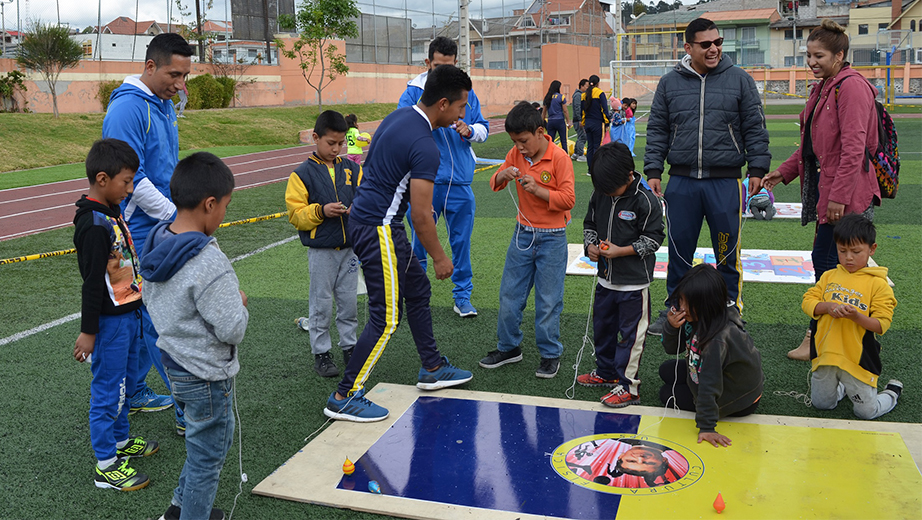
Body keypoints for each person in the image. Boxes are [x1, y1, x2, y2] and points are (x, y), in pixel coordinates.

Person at [324, 65, 475, 423]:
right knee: (387, 316)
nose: (462, 113)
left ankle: (433, 366)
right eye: (460, 106)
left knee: (417, 291)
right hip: (378, 229)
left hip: (376, 223)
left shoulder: (400, 116)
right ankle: (344, 395)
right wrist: (440, 257)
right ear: (442, 104)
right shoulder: (426, 145)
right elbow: (422, 216)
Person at [762, 19, 882, 361]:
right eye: (809, 56)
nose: (812, 62)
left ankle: (826, 340)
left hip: (847, 196)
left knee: (834, 267)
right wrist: (782, 174)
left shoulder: (851, 87)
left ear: (840, 55)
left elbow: (854, 147)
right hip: (830, 192)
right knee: (830, 266)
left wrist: (839, 198)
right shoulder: (824, 86)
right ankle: (828, 339)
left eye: (819, 56)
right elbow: (811, 147)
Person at [644, 18, 771, 336]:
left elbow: (755, 129)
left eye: (718, 42)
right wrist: (654, 170)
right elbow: (657, 128)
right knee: (678, 252)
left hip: (725, 183)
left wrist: (757, 169)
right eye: (706, 44)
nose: (714, 48)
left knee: (727, 253)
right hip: (682, 183)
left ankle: (730, 311)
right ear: (688, 47)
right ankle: (676, 309)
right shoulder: (669, 83)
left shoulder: (740, 80)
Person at [140, 152, 248, 520]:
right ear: (210, 203)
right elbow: (233, 327)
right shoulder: (208, 260)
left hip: (175, 365)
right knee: (208, 460)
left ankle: (178, 509)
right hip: (205, 375)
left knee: (201, 450)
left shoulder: (156, 239)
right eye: (226, 207)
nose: (224, 215)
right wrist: (239, 302)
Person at [103, 32, 194, 430]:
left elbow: (162, 166)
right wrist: (177, 215)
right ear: (150, 66)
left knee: (144, 315)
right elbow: (132, 178)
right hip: (136, 227)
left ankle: (136, 388)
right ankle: (185, 404)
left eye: (186, 75)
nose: (180, 83)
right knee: (158, 316)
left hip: (156, 222)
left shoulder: (162, 103)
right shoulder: (129, 108)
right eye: (174, 73)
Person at [73, 139, 159, 492]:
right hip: (108, 323)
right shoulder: (94, 224)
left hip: (128, 314)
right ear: (103, 178)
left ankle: (121, 442)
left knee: (124, 384)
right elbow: (92, 283)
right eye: (126, 182)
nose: (130, 188)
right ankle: (106, 464)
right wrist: (88, 332)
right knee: (110, 390)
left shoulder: (110, 211)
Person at [479, 102, 576, 379]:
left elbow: (569, 199)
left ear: (540, 132)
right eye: (515, 142)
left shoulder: (559, 158)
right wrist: (503, 174)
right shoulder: (515, 154)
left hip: (553, 237)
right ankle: (509, 347)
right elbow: (494, 184)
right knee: (510, 295)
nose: (519, 148)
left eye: (523, 141)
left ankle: (549, 353)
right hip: (522, 234)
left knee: (548, 300)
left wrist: (539, 190)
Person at [397, 36, 490, 318]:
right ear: (428, 63)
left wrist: (470, 130)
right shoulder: (413, 92)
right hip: (425, 182)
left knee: (461, 243)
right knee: (419, 242)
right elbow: (403, 131)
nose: (443, 72)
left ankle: (462, 297)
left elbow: (483, 129)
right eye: (438, 66)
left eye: (449, 66)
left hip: (460, 181)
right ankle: (416, 296)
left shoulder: (466, 91)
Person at [578, 142, 665, 407]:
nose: (606, 193)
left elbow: (654, 239)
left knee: (631, 337)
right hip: (605, 280)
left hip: (633, 286)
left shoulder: (646, 200)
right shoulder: (601, 193)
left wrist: (622, 251)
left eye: (610, 188)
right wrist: (590, 246)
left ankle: (629, 387)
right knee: (603, 329)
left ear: (629, 175)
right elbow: (589, 223)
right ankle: (605, 373)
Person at [285, 111, 362, 378]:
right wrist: (321, 211)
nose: (336, 149)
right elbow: (296, 215)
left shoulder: (352, 169)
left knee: (348, 302)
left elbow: (364, 197)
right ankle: (321, 353)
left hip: (350, 249)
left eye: (340, 143)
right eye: (331, 143)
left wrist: (358, 210)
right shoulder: (301, 174)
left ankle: (350, 347)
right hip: (322, 252)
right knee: (321, 304)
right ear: (315, 138)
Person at [801, 214, 901, 419]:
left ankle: (891, 392)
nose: (848, 258)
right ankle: (843, 388)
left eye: (856, 252)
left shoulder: (878, 285)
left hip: (856, 360)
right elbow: (808, 301)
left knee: (866, 412)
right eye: (842, 251)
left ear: (871, 249)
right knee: (822, 405)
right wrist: (826, 307)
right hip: (826, 355)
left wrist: (856, 316)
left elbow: (881, 324)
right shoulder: (829, 276)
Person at [658, 264, 764, 448]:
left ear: (705, 304)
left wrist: (707, 426)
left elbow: (710, 382)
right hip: (712, 370)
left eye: (687, 303)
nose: (681, 307)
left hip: (739, 398)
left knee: (667, 393)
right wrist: (672, 327)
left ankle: (715, 412)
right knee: (666, 370)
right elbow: (671, 349)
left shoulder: (718, 339)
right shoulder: (703, 315)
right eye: (681, 300)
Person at [581, 74, 611, 167]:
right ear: (598, 83)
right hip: (597, 123)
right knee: (597, 147)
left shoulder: (584, 95)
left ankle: (590, 169)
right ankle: (596, 169)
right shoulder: (599, 93)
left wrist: (583, 122)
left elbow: (582, 111)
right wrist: (607, 122)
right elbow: (604, 109)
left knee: (590, 146)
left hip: (588, 123)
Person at [542, 80, 570, 152]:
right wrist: (568, 121)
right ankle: (565, 156)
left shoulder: (547, 97)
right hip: (560, 120)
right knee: (563, 141)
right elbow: (565, 110)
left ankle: (549, 155)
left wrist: (541, 122)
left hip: (551, 121)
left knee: (550, 141)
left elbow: (544, 112)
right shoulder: (561, 97)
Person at [570, 79, 589, 162]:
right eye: (586, 86)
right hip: (578, 120)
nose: (587, 88)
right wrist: (580, 119)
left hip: (578, 119)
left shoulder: (579, 95)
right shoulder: (578, 95)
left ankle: (576, 153)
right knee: (583, 137)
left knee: (580, 136)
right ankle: (580, 154)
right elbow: (577, 108)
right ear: (582, 86)